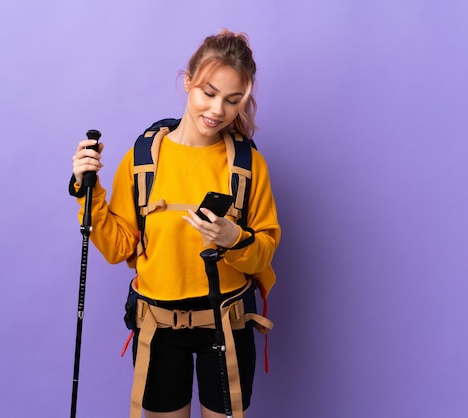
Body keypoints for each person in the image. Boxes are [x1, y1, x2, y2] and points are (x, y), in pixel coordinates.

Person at [70, 29, 280, 418]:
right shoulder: (144, 158)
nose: (217, 110)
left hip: (227, 325)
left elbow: (265, 250)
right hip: (158, 328)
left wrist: (235, 239)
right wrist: (89, 191)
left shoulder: (248, 166)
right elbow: (118, 248)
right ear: (188, 82)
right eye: (208, 92)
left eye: (233, 101)